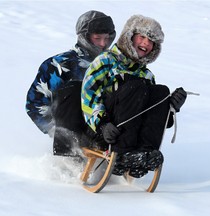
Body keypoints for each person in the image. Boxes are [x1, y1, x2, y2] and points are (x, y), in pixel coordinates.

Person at [81, 14, 187, 178]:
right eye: (142, 37)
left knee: (161, 92)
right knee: (135, 86)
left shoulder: (147, 75)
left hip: (132, 136)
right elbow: (89, 97)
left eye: (151, 41)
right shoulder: (105, 61)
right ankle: (123, 153)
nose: (146, 43)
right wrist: (102, 125)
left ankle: (145, 152)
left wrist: (170, 107)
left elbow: (151, 115)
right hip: (104, 131)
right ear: (129, 37)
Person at [26, 10, 116, 157]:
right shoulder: (59, 64)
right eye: (97, 38)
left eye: (106, 38)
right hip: (70, 133)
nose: (102, 44)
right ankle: (69, 153)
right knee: (78, 88)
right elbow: (35, 102)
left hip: (102, 131)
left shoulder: (113, 66)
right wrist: (57, 131)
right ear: (85, 36)